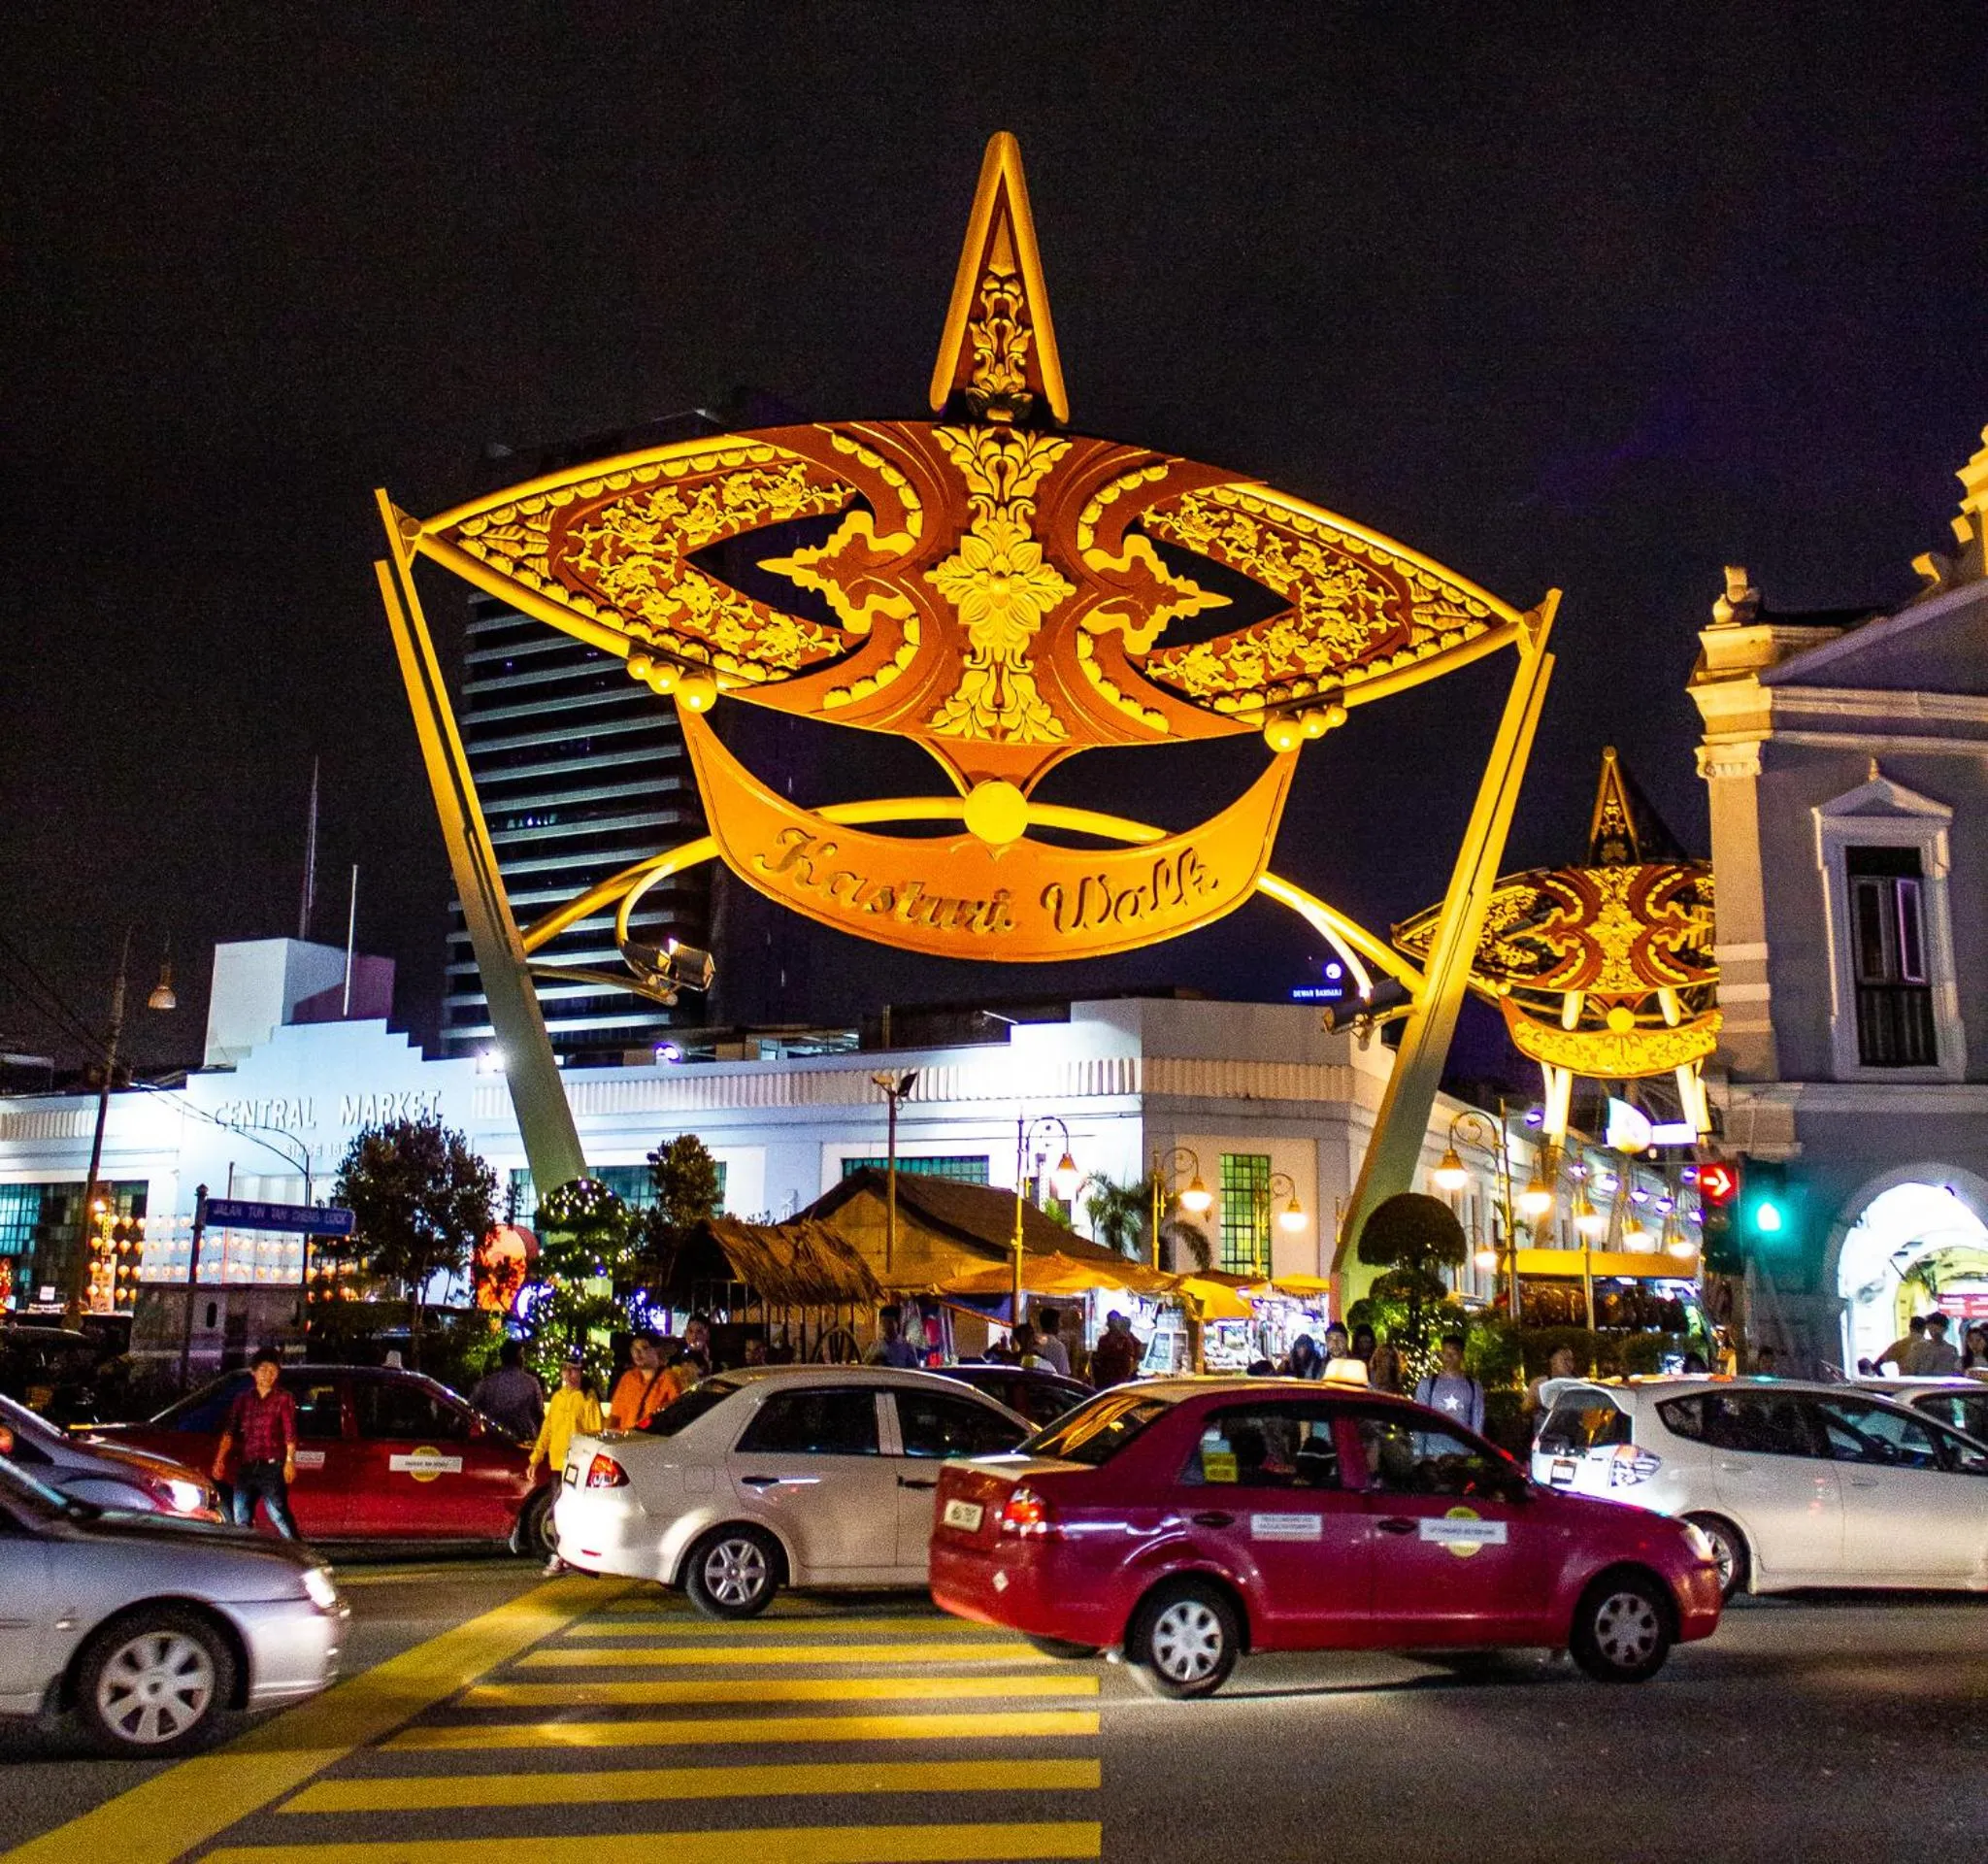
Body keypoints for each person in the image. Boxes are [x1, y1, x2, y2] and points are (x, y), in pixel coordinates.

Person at [528, 1353, 603, 1575]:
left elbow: (595, 1433)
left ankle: (565, 1557)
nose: (570, 1374)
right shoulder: (559, 1398)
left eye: (574, 1370)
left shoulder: (588, 1399)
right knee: (558, 1513)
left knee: (565, 1512)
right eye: (567, 1369)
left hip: (578, 1465)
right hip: (557, 1464)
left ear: (581, 1372)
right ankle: (564, 1556)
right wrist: (535, 1458)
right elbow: (548, 1430)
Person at [213, 1348, 298, 1539]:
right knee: (240, 1515)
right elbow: (229, 1431)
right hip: (248, 1465)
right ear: (253, 1372)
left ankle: (299, 1552)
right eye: (263, 1370)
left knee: (278, 1514)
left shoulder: (283, 1398)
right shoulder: (243, 1399)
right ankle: (246, 1556)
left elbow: (290, 1432)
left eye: (272, 1371)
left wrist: (289, 1461)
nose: (267, 1375)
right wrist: (220, 1460)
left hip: (272, 1466)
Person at [470, 1339, 545, 1443]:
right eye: (522, 1355)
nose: (524, 1359)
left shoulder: (487, 1383)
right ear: (518, 1357)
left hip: (493, 1441)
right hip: (523, 1442)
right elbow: (539, 1414)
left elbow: (472, 1408)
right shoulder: (531, 1383)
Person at [1414, 1333, 1485, 1434]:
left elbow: (1477, 1421)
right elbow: (1421, 1420)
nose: (1449, 1357)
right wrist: (1418, 1449)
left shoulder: (1473, 1386)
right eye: (1445, 1353)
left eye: (1454, 1353)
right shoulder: (1427, 1384)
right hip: (1434, 1448)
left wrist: (1475, 1448)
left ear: (1462, 1355)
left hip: (1462, 1448)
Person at [606, 1333, 673, 1430]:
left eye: (644, 1348)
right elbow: (615, 1415)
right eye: (634, 1349)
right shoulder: (628, 1378)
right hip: (626, 1440)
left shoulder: (668, 1379)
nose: (637, 1353)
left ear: (657, 1351)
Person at [1524, 1344, 1577, 1435]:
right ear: (1552, 1361)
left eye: (1571, 1360)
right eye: (1565, 1360)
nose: (1569, 1364)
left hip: (1571, 1436)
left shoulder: (1579, 1385)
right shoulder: (1538, 1384)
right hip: (1544, 1437)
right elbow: (1526, 1408)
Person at [1090, 1310, 1141, 1388]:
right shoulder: (1104, 1340)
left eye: (1114, 1322)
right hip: (1106, 1381)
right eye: (1111, 1322)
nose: (1112, 1325)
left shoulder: (1127, 1340)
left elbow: (1133, 1361)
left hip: (1121, 1382)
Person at [865, 1304, 922, 1370]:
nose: (886, 1326)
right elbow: (864, 1367)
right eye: (883, 1322)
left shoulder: (907, 1347)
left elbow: (915, 1370)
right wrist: (873, 1361)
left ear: (897, 1323)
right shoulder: (875, 1346)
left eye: (889, 1322)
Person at [1918, 1312, 1962, 1376]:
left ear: (1945, 1329)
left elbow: (1956, 1370)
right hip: (1925, 1383)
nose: (1933, 1332)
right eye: (1930, 1329)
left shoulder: (1952, 1350)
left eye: (1936, 1329)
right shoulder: (1920, 1347)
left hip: (1945, 1384)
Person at [1032, 1308, 1072, 1378]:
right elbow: (1064, 1375)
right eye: (1059, 1322)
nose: (1061, 1325)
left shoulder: (1032, 1342)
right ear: (1054, 1323)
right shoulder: (1058, 1346)